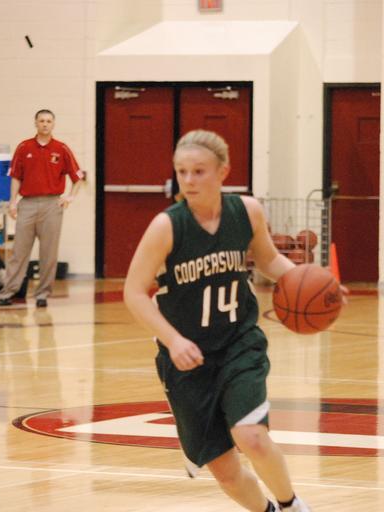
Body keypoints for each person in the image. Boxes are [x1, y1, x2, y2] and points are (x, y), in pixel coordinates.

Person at [123, 130, 313, 512]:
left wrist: (311, 281)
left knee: (251, 436)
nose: (189, 180)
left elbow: (268, 260)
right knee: (226, 473)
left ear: (223, 171)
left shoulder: (246, 211)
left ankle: (292, 506)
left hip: (238, 342)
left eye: (199, 171)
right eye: (182, 172)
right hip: (187, 360)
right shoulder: (167, 226)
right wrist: (173, 340)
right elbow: (134, 292)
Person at [0, 109, 85, 308]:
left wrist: (70, 196)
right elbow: (16, 177)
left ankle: (42, 294)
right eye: (42, 121)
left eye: (49, 121)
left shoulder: (61, 148)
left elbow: (78, 177)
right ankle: (7, 292)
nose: (45, 124)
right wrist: (13, 202)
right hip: (27, 203)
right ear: (35, 123)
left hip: (52, 205)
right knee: (19, 252)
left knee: (49, 253)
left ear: (53, 124)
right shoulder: (24, 147)